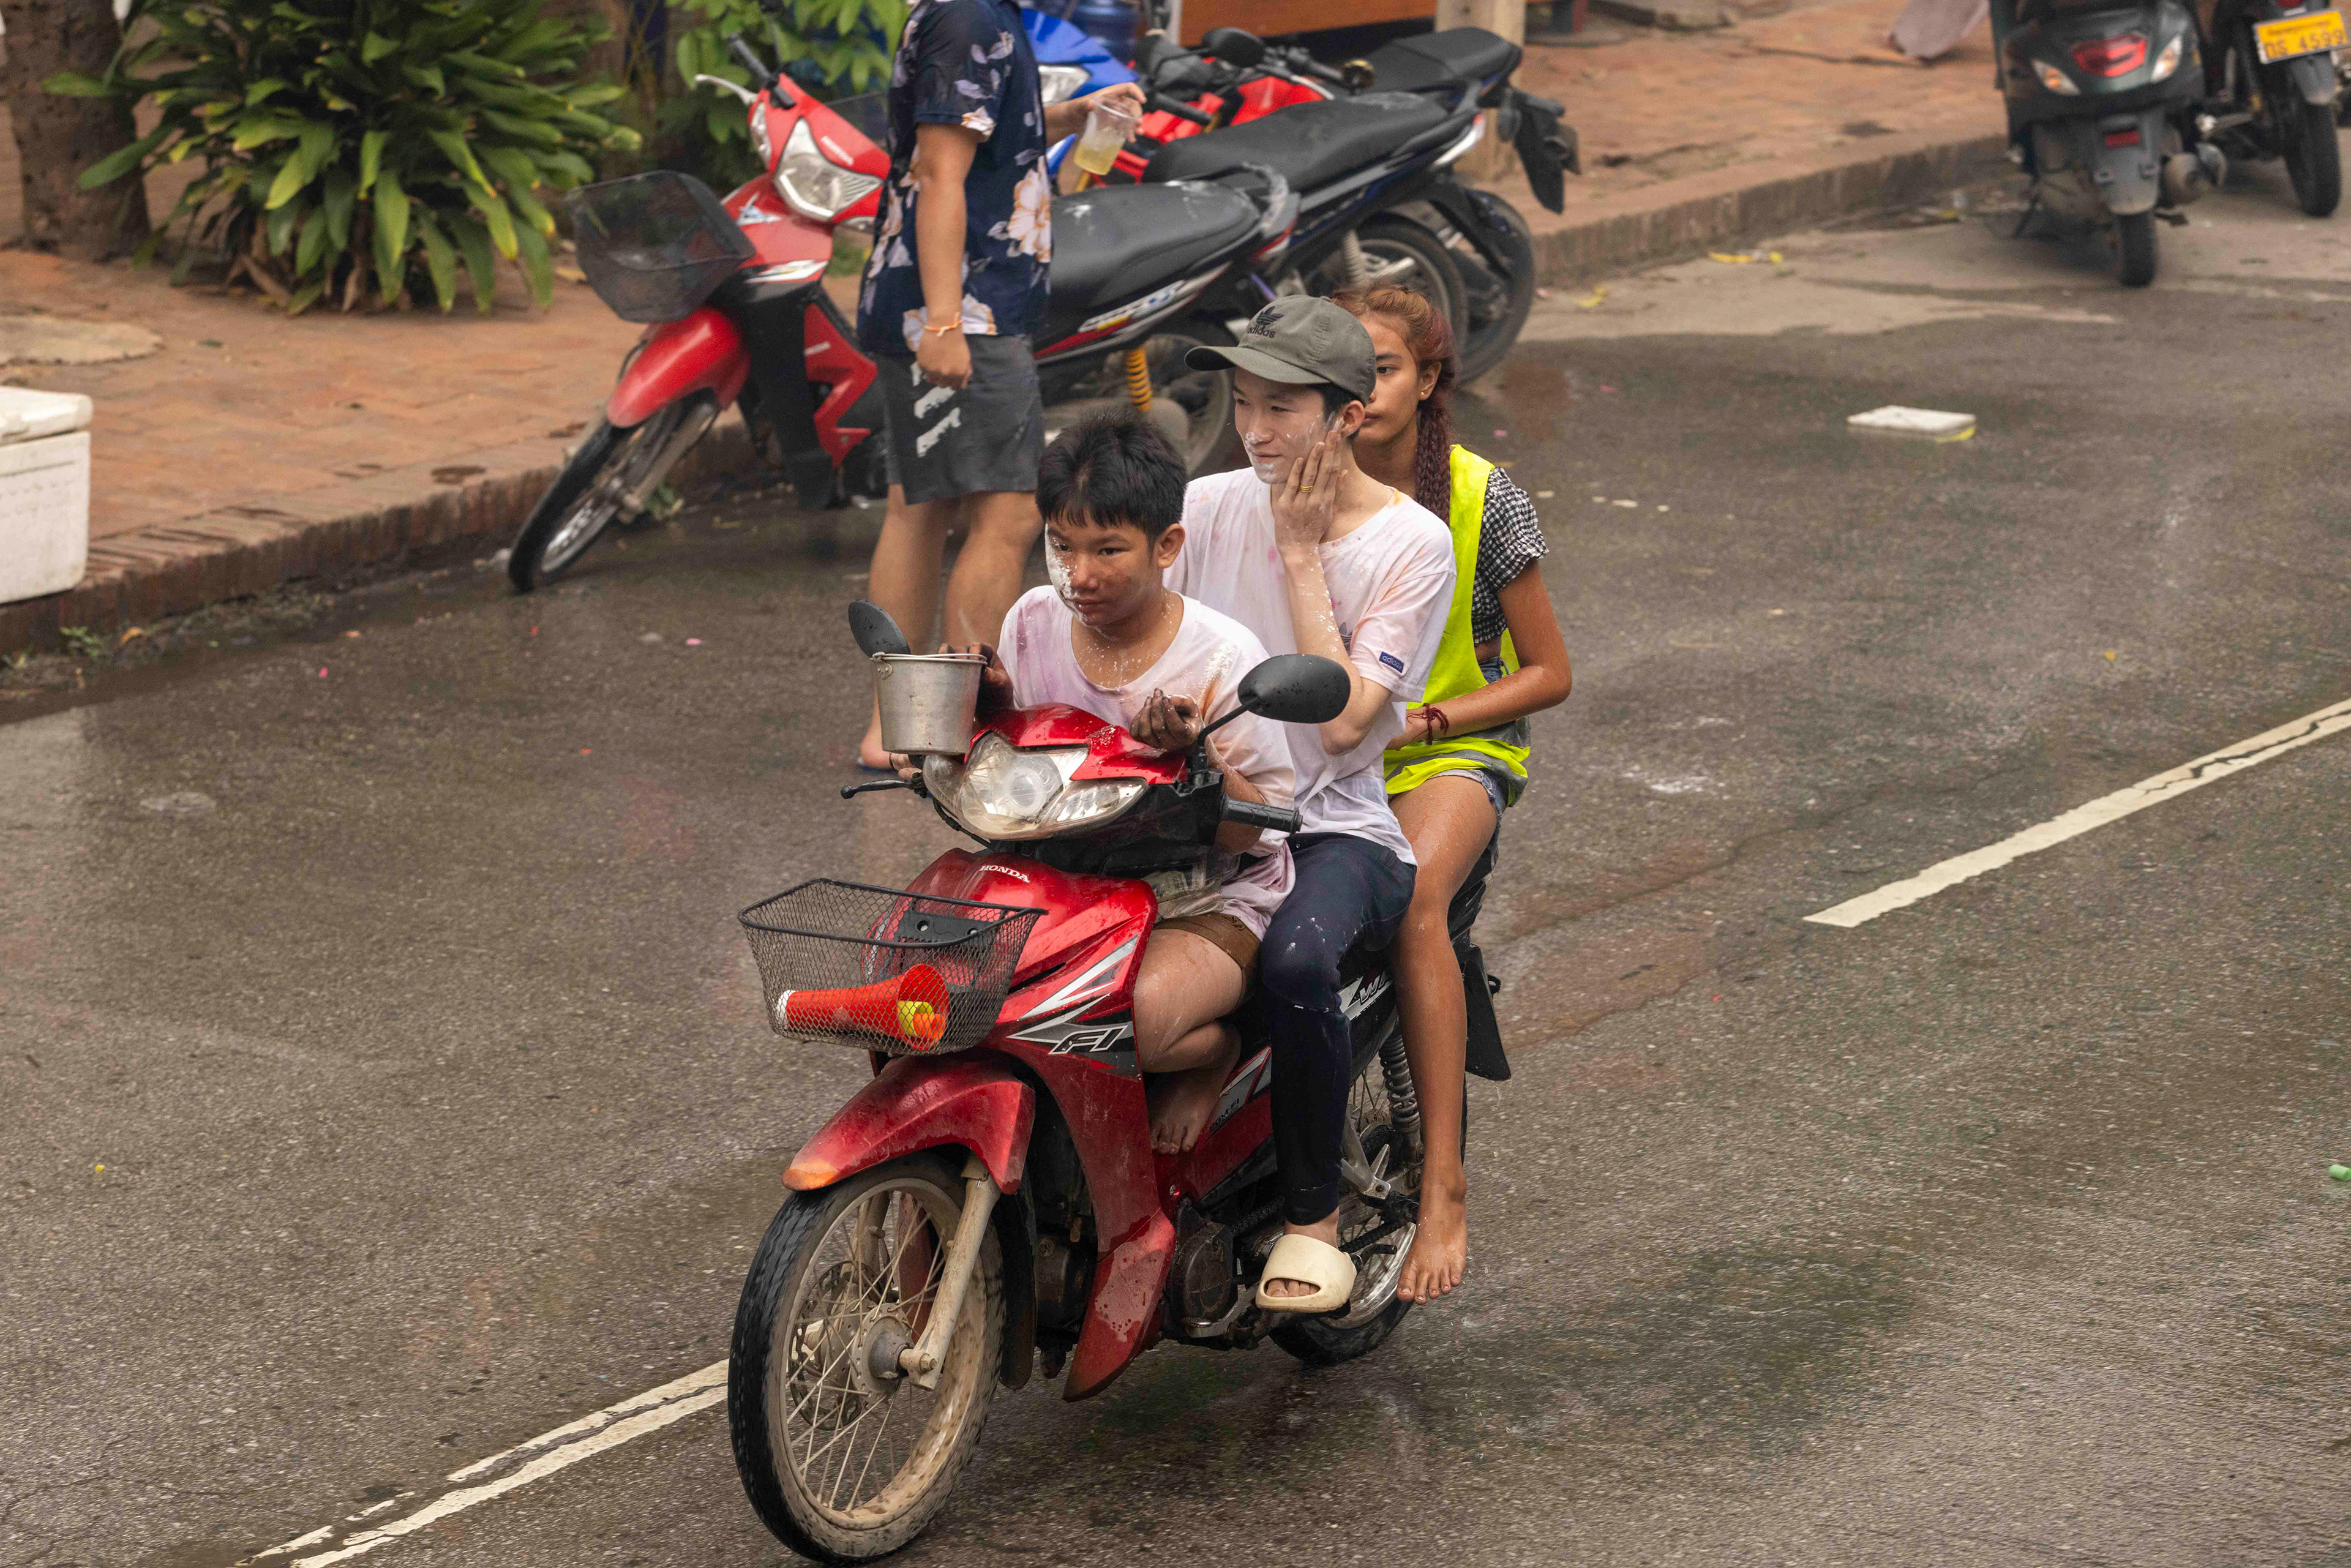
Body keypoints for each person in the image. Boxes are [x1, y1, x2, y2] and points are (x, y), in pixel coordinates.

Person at [1150, 296, 1455, 1314]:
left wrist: (1296, 551)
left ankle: (1315, 1221)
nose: (1255, 431)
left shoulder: (1413, 544)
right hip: (1207, 812)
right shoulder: (1204, 504)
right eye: (1243, 404)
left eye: (1282, 407)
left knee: (1294, 956)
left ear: (1350, 418)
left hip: (1335, 829)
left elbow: (1341, 726)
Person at [958, 410, 1298, 1150]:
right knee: (962, 1005)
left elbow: (1262, 827)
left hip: (1206, 899)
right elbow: (1020, 764)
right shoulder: (1031, 621)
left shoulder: (1220, 658)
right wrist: (981, 710)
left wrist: (1199, 761)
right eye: (1062, 546)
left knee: (1116, 1024)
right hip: (1072, 883)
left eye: (1108, 548)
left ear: (1167, 545)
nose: (1080, 575)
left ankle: (1215, 1054)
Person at [1330, 285, 1572, 1306]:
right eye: (1344, 368)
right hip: (1324, 750)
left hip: (1446, 757)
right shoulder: (1298, 482)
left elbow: (1549, 672)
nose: (1360, 389)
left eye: (1383, 367)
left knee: (1408, 895)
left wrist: (1436, 720)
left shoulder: (1482, 496)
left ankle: (1443, 1185)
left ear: (1429, 380)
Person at [852, 0, 1146, 769]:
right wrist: (947, 322)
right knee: (1009, 513)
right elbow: (943, 170)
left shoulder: (980, 12)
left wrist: (1073, 113)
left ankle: (906, 726)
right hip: (964, 307)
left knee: (920, 505)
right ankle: (946, 721)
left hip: (956, 299)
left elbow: (984, 133)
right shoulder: (972, 17)